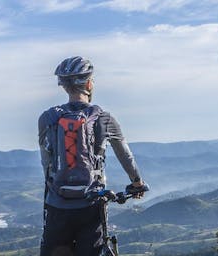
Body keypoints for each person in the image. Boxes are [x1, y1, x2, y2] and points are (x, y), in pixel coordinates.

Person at [38, 56, 145, 256]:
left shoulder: (47, 118)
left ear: (64, 86)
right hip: (91, 205)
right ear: (88, 83)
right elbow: (126, 156)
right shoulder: (103, 118)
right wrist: (137, 183)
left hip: (56, 207)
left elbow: (46, 162)